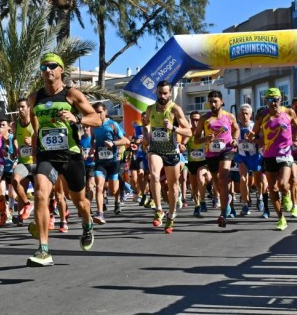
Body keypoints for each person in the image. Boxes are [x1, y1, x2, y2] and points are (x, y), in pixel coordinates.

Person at [26, 53, 101, 267]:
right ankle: (43, 250)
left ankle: (87, 224)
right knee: (40, 194)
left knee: (81, 203)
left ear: (60, 70)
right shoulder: (34, 98)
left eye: (52, 66)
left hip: (70, 155)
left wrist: (76, 118)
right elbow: (34, 123)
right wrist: (35, 144)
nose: (47, 70)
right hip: (47, 156)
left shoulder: (71, 95)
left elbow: (96, 118)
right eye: (43, 67)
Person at [141, 81, 191, 233]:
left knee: (173, 186)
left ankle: (171, 215)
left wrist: (174, 127)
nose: (162, 96)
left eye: (165, 93)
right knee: (154, 176)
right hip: (155, 149)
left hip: (171, 151)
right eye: (159, 93)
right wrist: (146, 138)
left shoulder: (175, 110)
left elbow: (189, 132)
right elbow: (145, 124)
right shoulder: (150, 109)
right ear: (156, 92)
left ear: (170, 93)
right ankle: (158, 210)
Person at [250, 88, 297, 231]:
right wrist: (253, 138)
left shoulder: (289, 112)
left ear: (281, 99)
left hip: (285, 154)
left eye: (276, 99)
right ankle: (281, 217)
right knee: (272, 188)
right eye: (270, 100)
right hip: (268, 155)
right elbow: (254, 134)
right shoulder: (262, 114)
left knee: (282, 184)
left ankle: (286, 195)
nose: (273, 103)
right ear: (265, 101)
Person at [194, 90, 240, 228]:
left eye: (215, 101)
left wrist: (235, 140)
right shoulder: (204, 119)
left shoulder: (229, 117)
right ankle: (227, 199)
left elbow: (236, 129)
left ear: (222, 102)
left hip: (226, 150)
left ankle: (223, 213)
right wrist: (205, 138)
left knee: (222, 179)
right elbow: (196, 139)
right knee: (217, 183)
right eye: (211, 101)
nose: (213, 104)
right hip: (211, 153)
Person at [90, 102, 129, 225]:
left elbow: (125, 140)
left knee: (113, 190)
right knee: (99, 187)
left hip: (113, 162)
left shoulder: (113, 124)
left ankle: (117, 200)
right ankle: (100, 214)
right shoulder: (93, 126)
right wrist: (92, 148)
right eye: (95, 113)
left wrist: (113, 143)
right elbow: (93, 140)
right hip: (100, 162)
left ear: (105, 111)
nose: (98, 115)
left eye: (100, 112)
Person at [11, 99, 35, 225]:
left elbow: (42, 137)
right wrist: (15, 148)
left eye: (22, 107)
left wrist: (32, 141)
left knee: (43, 195)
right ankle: (26, 207)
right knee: (16, 181)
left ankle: (50, 215)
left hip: (36, 162)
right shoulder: (16, 124)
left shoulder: (35, 123)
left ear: (28, 108)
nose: (20, 110)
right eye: (18, 107)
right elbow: (14, 139)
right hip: (23, 162)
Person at [235, 104, 261, 216]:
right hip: (242, 156)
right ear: (239, 115)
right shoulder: (236, 127)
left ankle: (260, 196)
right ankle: (245, 204)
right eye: (242, 113)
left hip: (254, 156)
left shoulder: (255, 126)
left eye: (247, 113)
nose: (244, 116)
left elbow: (261, 142)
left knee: (258, 181)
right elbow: (232, 140)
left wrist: (253, 140)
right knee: (243, 179)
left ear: (251, 115)